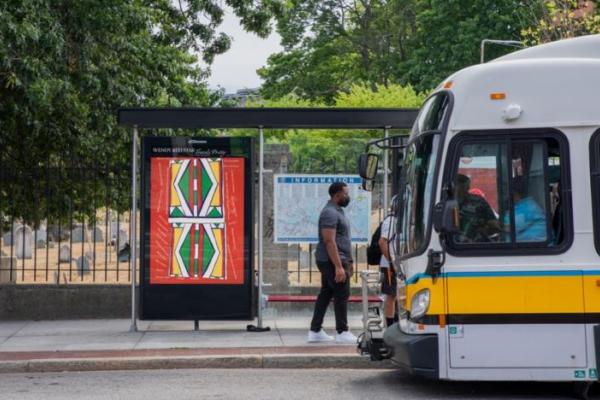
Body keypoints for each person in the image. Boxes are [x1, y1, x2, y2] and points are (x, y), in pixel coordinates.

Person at [308, 182, 357, 344]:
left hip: (336, 259)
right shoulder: (330, 213)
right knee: (342, 293)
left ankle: (315, 330)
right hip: (331, 260)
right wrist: (338, 266)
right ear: (337, 195)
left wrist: (348, 261)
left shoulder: (337, 211)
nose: (347, 196)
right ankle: (342, 331)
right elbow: (329, 241)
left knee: (326, 293)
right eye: (346, 193)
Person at [455, 174, 500, 242]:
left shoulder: (478, 201)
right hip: (450, 245)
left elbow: (495, 226)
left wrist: (481, 231)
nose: (467, 188)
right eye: (461, 186)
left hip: (475, 246)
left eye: (466, 186)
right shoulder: (443, 202)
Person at [506, 176, 547, 242]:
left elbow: (509, 227)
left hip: (538, 249)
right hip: (528, 247)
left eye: (507, 191)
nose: (506, 195)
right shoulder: (522, 206)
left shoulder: (527, 207)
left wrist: (494, 224)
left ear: (514, 193)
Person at [379, 195, 398, 328]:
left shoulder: (401, 221)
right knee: (391, 295)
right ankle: (390, 325)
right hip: (390, 265)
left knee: (397, 294)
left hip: (398, 264)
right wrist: (391, 262)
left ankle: (395, 321)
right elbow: (382, 241)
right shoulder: (391, 221)